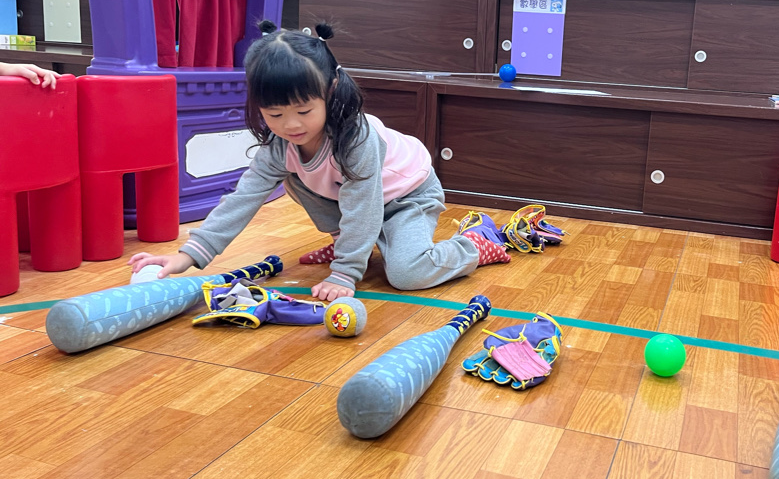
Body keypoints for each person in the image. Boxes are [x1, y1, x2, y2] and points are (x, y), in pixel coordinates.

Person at [129, 21, 509, 303]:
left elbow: (363, 206)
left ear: (330, 90)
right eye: (274, 115)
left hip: (407, 195)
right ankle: (349, 243)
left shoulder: (355, 138)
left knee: (407, 274)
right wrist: (188, 256)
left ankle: (475, 244)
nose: (291, 125)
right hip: (358, 201)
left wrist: (345, 273)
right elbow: (243, 198)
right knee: (292, 178)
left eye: (304, 111)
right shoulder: (280, 145)